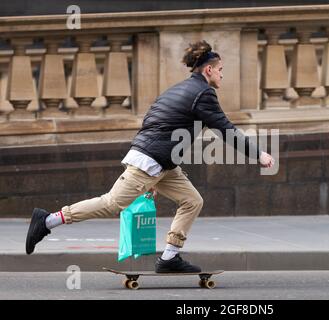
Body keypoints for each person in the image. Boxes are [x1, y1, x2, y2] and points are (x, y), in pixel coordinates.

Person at [25, 40, 275, 273]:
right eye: (220, 69)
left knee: (192, 200)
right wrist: (259, 154)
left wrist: (155, 177)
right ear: (208, 70)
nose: (222, 74)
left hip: (162, 163)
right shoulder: (203, 94)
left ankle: (169, 257)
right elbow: (226, 130)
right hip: (151, 161)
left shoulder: (179, 90)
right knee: (113, 203)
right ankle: (48, 220)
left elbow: (152, 119)